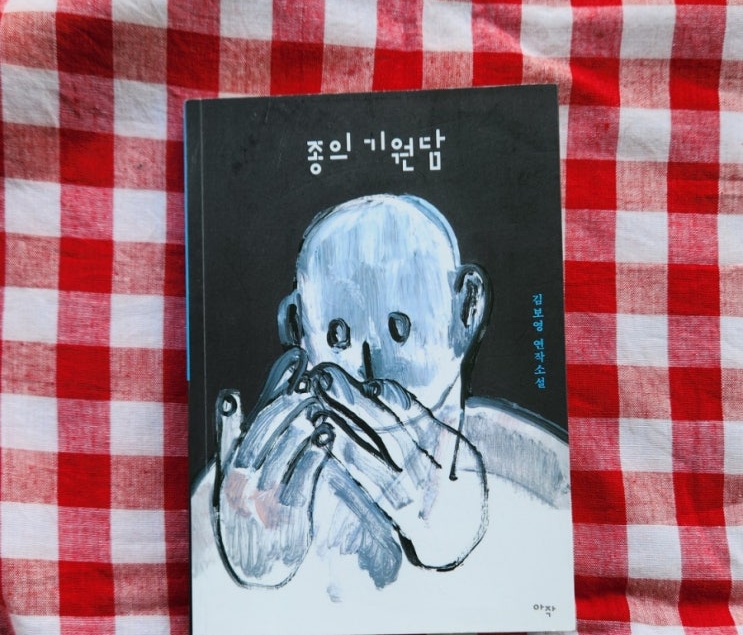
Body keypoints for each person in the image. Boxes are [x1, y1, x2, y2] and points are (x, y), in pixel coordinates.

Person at [191, 194, 570, 595]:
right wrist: (244, 569)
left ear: (467, 310)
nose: (368, 367)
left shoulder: (539, 476)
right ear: (297, 327)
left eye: (399, 329)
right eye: (337, 336)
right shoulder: (252, 490)